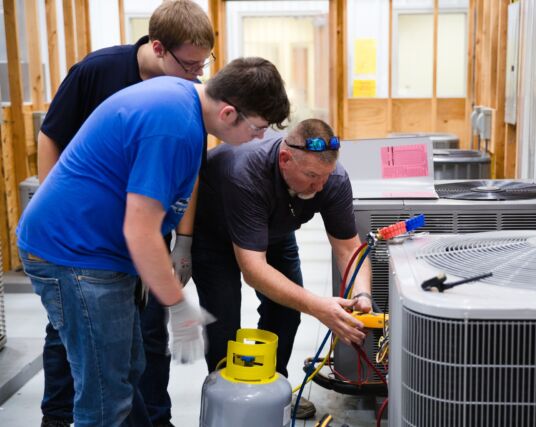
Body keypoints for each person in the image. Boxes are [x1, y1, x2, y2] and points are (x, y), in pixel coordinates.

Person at [18, 57, 290, 427]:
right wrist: (179, 308)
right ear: (229, 113)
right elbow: (140, 230)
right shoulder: (174, 127)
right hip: (74, 255)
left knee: (128, 373)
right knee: (104, 399)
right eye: (258, 128)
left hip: (99, 252)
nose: (261, 138)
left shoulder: (185, 103)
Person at [35, 2, 214, 426]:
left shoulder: (185, 97)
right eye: (189, 64)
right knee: (70, 336)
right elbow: (51, 137)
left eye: (203, 64)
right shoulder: (98, 71)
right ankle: (57, 417)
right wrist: (55, 207)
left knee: (146, 336)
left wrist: (183, 242)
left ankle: (153, 417)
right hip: (83, 238)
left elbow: (189, 176)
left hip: (144, 234)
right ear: (157, 48)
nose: (196, 76)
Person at [185, 118, 373, 420]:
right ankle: (229, 403)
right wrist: (318, 306)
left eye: (325, 176)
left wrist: (362, 292)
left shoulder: (332, 178)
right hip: (214, 233)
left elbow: (349, 250)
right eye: (311, 176)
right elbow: (253, 270)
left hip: (274, 229)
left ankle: (272, 393)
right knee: (224, 320)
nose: (320, 186)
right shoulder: (246, 171)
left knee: (286, 313)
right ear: (285, 160)